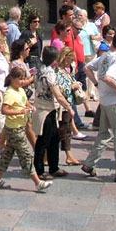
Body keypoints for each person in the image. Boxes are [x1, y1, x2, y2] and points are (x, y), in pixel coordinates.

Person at [0, 66, 52, 193]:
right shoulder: (9, 93)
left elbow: (25, 102)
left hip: (19, 126)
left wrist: (30, 107)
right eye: (20, 79)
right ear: (12, 78)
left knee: (7, 156)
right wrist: (20, 111)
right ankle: (37, 182)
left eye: (23, 79)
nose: (22, 82)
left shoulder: (20, 90)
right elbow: (4, 110)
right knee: (26, 156)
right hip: (14, 130)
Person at [81, 31, 116, 182]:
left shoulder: (105, 56)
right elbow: (109, 77)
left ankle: (89, 163)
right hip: (115, 102)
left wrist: (97, 84)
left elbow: (87, 68)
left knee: (105, 134)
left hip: (104, 101)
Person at [32, 45, 75, 180]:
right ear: (54, 59)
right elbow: (58, 94)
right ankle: (39, 170)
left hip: (44, 107)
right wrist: (69, 107)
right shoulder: (49, 73)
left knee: (54, 138)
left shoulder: (40, 69)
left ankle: (53, 167)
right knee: (44, 140)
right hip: (46, 109)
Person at [54, 47, 84, 165]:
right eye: (70, 59)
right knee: (64, 131)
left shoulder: (66, 70)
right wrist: (72, 87)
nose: (71, 62)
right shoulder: (58, 71)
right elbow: (60, 89)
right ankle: (68, 156)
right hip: (63, 105)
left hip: (67, 104)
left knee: (62, 131)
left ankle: (49, 156)